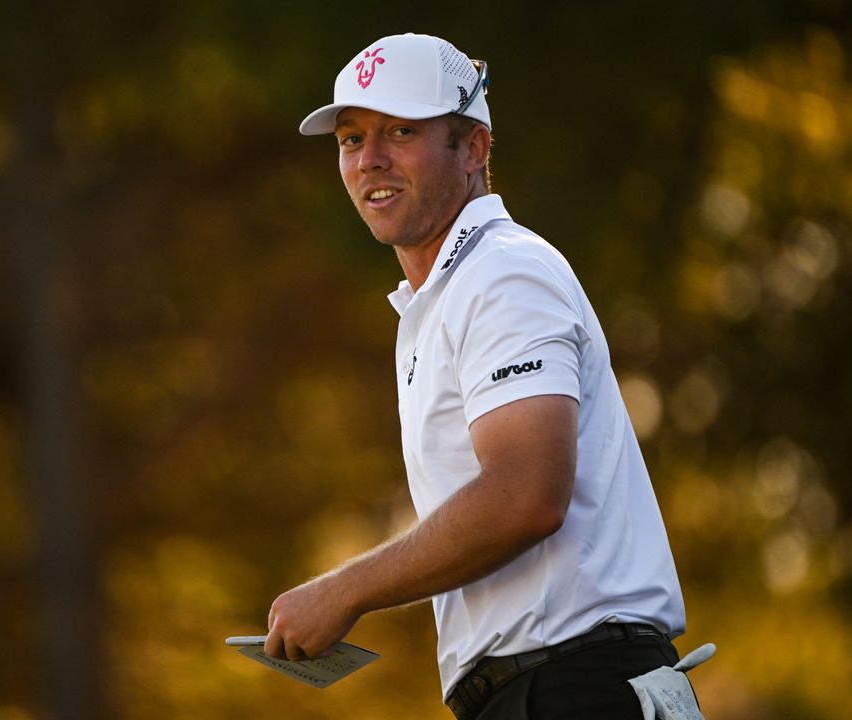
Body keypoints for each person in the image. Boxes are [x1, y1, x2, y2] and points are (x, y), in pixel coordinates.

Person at [264, 33, 688, 719]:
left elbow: (527, 494)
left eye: (401, 131)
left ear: (474, 150)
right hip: (543, 688)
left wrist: (345, 590)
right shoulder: (448, 294)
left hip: (576, 686)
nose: (370, 158)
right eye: (350, 138)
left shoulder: (503, 271)